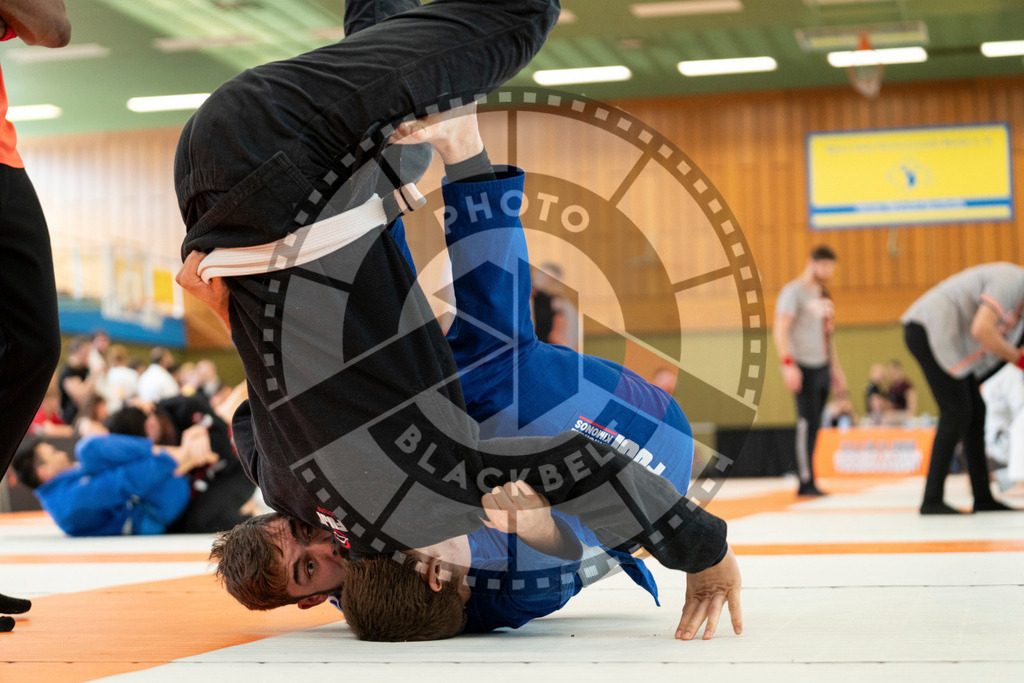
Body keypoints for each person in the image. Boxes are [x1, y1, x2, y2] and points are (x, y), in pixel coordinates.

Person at [176, 0, 739, 643]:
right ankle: (451, 126)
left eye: (308, 538)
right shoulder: (470, 580)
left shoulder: (345, 538)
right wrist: (564, 532)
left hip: (270, 211)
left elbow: (267, 407)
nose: (336, 542)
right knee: (492, 369)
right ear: (440, 581)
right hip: (640, 437)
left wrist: (230, 313)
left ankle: (422, 105)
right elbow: (575, 519)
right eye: (316, 564)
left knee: (403, 162)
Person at [902, 262, 1023, 514]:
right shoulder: (1012, 281)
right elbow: (982, 329)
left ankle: (983, 497)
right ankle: (931, 499)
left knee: (975, 411)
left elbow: (1002, 354)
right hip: (926, 327)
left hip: (955, 346)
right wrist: (1019, 359)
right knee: (956, 411)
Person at [773, 245, 847, 496]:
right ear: (812, 262)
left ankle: (812, 477)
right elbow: (780, 329)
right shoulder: (794, 292)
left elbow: (828, 335)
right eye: (824, 265)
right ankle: (805, 480)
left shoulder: (823, 294)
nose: (828, 271)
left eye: (831, 267)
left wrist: (836, 369)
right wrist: (788, 364)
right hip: (802, 365)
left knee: (816, 424)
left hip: (823, 366)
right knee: (806, 423)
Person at [980, 364, 1024, 493]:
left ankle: (1001, 478)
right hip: (1004, 442)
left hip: (992, 441)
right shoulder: (1010, 372)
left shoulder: (992, 369)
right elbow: (1020, 407)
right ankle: (1018, 481)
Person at [58, 336, 94, 425]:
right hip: (69, 419)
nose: (89, 355)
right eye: (86, 351)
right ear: (77, 351)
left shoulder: (85, 370)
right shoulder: (69, 371)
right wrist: (93, 376)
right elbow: (79, 396)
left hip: (82, 417)